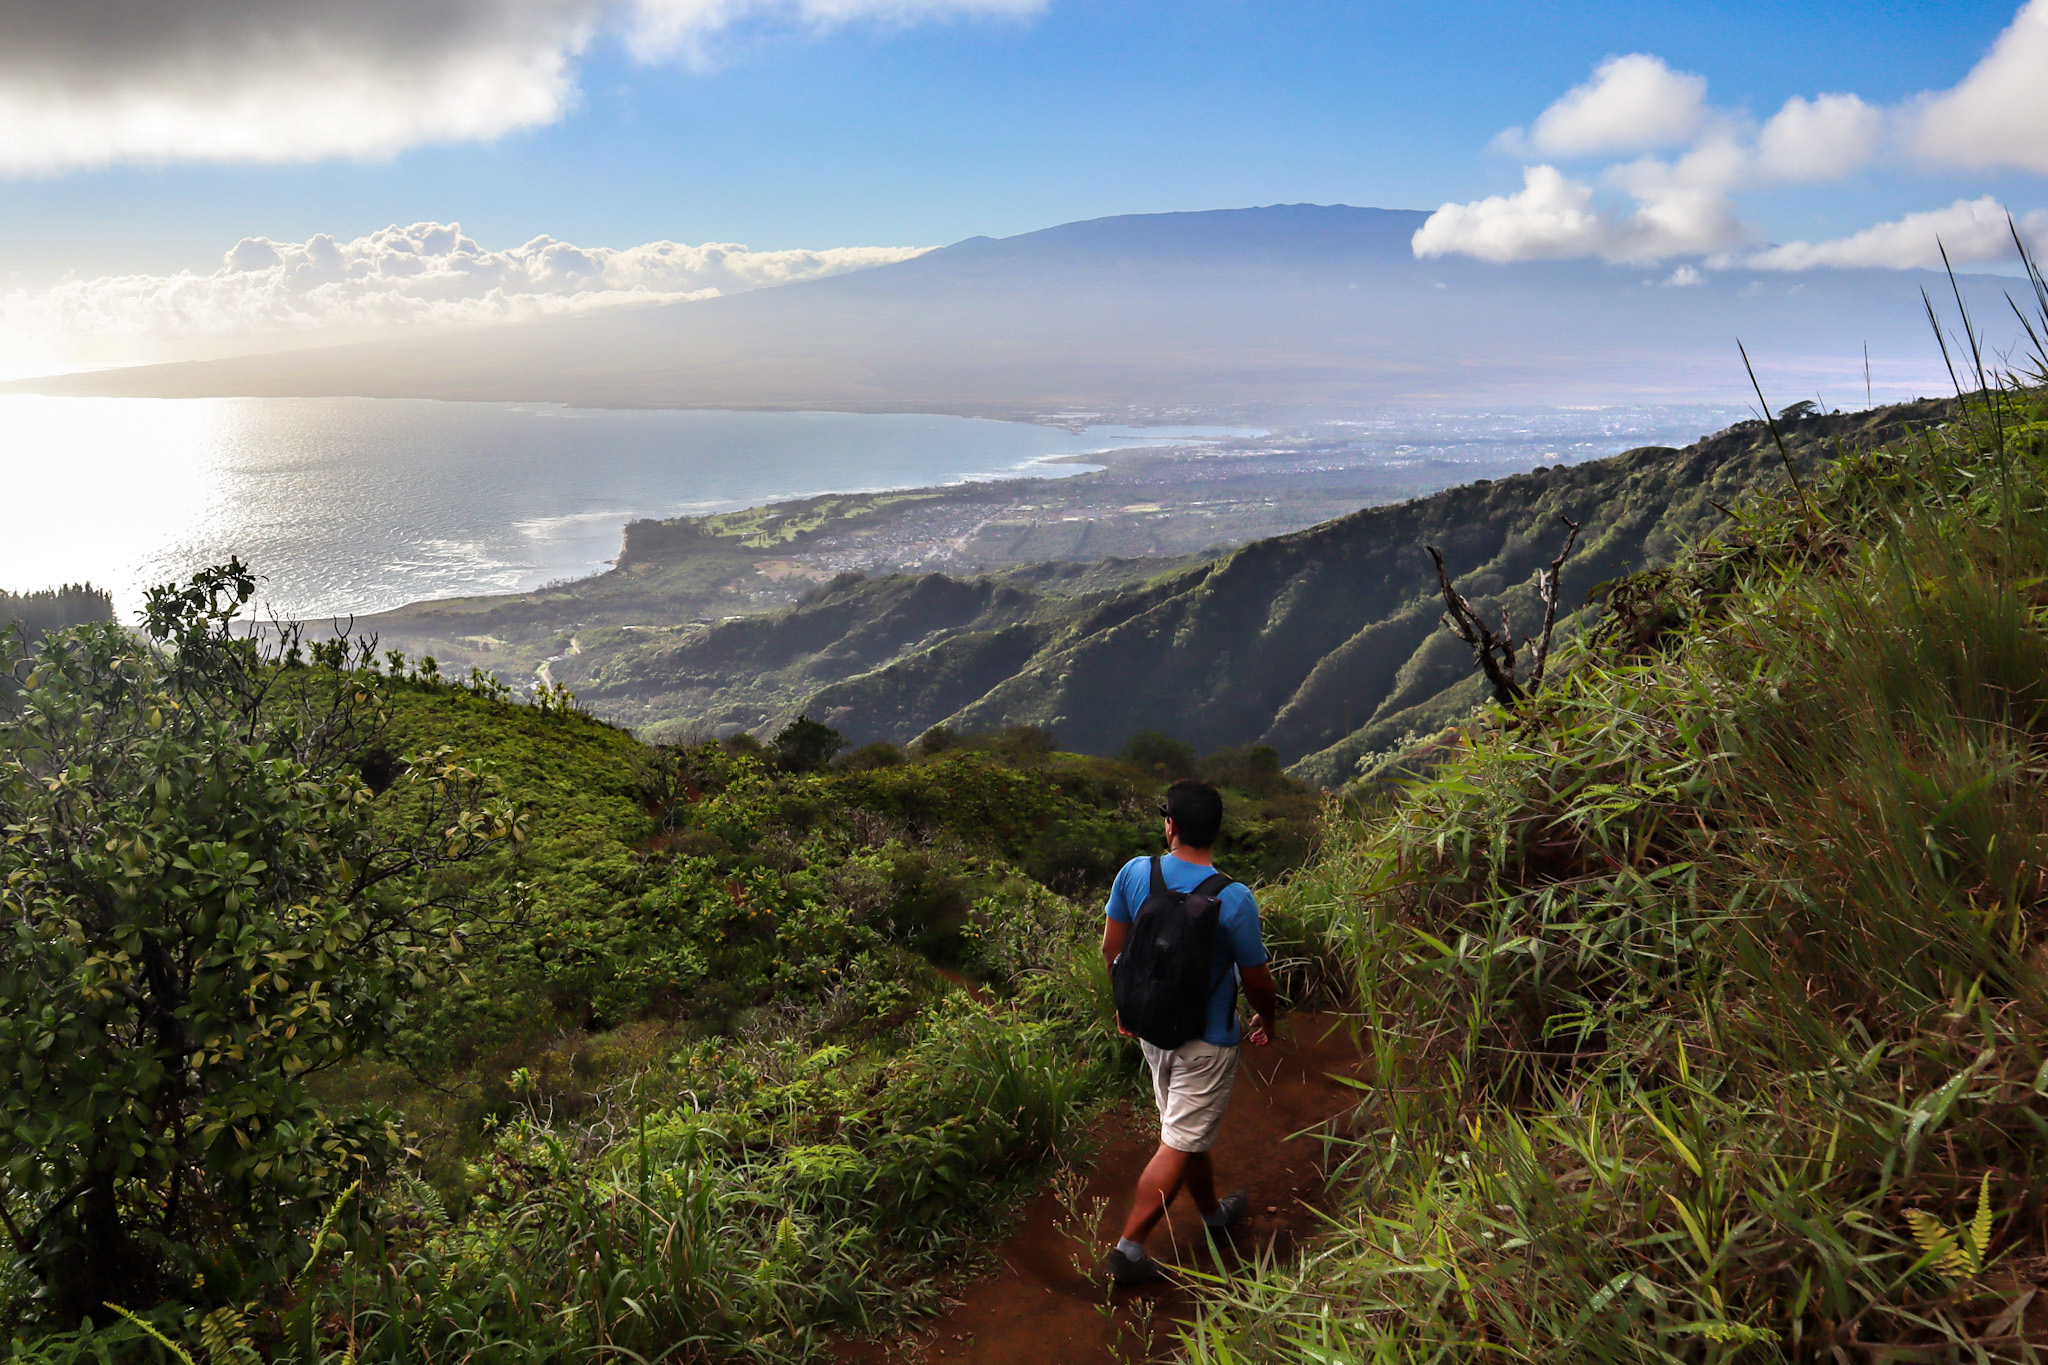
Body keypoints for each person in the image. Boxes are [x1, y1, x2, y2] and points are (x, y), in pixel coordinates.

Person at [1100, 777, 1278, 1286]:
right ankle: (1128, 1251)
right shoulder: (1235, 898)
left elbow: (1113, 949)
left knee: (1185, 1131)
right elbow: (1257, 978)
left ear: (1171, 826)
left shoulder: (1136, 873)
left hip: (1153, 1030)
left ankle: (1214, 1215)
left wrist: (1125, 1005)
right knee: (1180, 1139)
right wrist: (1268, 1018)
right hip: (1208, 1040)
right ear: (1216, 832)